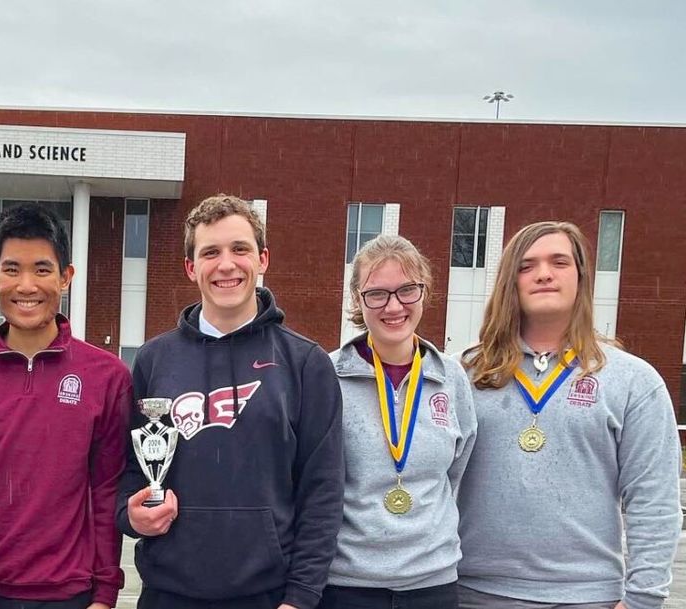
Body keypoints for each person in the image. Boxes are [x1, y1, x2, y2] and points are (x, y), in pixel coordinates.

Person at [117, 194, 345, 609]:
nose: (226, 265)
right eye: (210, 252)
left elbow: (323, 490)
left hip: (269, 596)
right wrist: (130, 516)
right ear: (191, 268)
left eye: (240, 249)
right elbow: (131, 467)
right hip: (168, 594)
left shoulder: (305, 362)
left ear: (263, 259)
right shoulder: (154, 359)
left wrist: (301, 596)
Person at [458, 221, 681, 609]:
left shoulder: (632, 381)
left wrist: (643, 599)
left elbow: (653, 499)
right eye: (527, 266)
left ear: (581, 276)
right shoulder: (466, 374)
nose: (543, 273)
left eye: (558, 262)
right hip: (473, 593)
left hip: (587, 596)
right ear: (510, 283)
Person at [0, 203, 130, 609]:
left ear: (66, 277)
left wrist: (105, 595)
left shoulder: (107, 376)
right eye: (12, 269)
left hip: (70, 597)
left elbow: (105, 491)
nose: (26, 285)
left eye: (42, 270)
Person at [321, 235, 476, 609]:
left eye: (407, 290)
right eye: (377, 294)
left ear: (424, 292)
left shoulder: (451, 378)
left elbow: (456, 471)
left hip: (432, 585)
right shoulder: (326, 375)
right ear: (358, 300)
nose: (394, 306)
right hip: (346, 586)